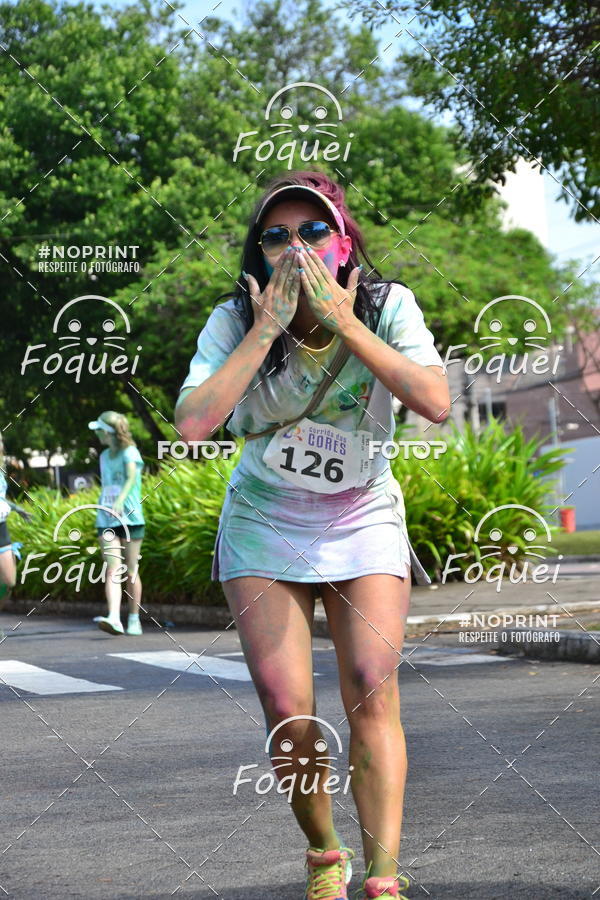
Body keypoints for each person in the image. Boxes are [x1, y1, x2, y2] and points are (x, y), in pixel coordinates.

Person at [175, 171, 450, 900]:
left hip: (360, 514)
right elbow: (194, 422)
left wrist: (347, 323)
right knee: (287, 710)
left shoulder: (388, 306)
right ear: (260, 254)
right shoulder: (234, 320)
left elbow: (434, 401)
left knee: (371, 685)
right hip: (267, 518)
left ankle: (383, 879)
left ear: (344, 242)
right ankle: (325, 853)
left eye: (312, 232)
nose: (295, 247)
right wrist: (268, 326)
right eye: (277, 236)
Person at [88, 411, 145, 636]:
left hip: (130, 518)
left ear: (108, 432)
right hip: (107, 518)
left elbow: (131, 477)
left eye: (99, 430)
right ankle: (113, 617)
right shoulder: (103, 456)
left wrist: (120, 500)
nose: (97, 434)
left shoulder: (130, 452)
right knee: (113, 568)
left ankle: (134, 618)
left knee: (131, 570)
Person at [0, 433, 31, 602]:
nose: (1, 444)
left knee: (9, 582)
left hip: (1, 528)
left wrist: (17, 508)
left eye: (0, 440)